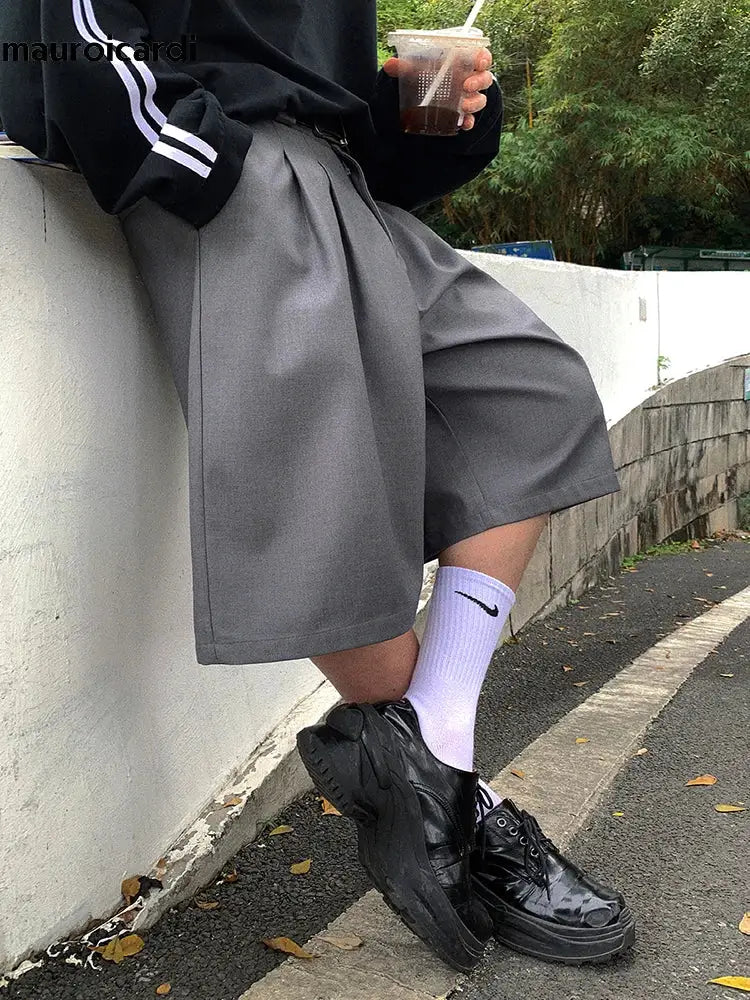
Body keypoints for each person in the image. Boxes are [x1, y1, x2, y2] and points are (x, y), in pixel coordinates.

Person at [0, 0, 635, 973]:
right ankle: (469, 811)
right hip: (228, 173)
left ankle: (442, 766)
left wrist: (430, 111)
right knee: (324, 501)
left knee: (529, 394)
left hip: (336, 182)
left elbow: (341, 119)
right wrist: (210, 167)